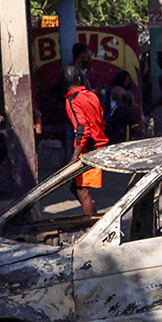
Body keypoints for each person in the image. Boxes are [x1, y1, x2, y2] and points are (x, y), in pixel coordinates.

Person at [62, 65, 108, 216]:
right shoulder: (91, 95)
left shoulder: (72, 100)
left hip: (88, 149)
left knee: (82, 191)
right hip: (98, 144)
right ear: (80, 79)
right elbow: (100, 119)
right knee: (75, 187)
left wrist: (74, 157)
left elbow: (81, 128)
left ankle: (91, 228)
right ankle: (94, 220)